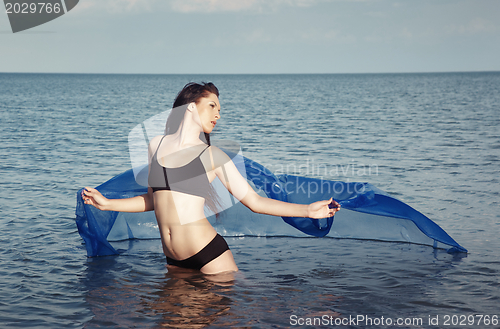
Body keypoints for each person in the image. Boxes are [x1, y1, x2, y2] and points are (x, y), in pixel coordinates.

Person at [82, 82, 340, 275]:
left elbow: (255, 201)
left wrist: (307, 210)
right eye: (212, 106)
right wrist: (107, 203)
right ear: (191, 107)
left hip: (209, 255)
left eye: (219, 109)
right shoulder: (156, 145)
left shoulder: (213, 156)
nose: (218, 115)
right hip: (173, 260)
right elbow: (153, 199)